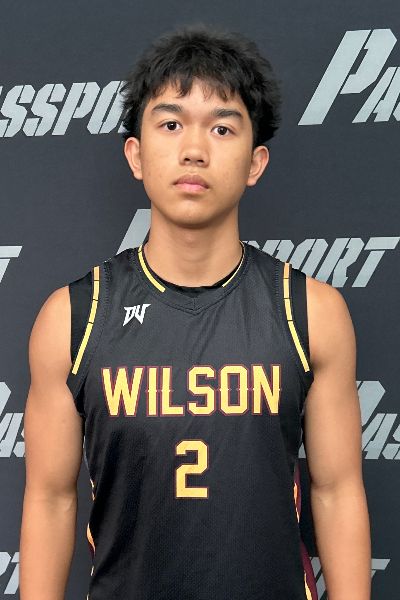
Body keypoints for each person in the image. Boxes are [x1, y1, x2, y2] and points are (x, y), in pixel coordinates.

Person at [19, 23, 371, 600]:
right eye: (171, 123)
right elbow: (50, 499)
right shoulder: (73, 317)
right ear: (136, 154)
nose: (194, 149)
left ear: (256, 162)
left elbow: (336, 491)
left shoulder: (311, 311)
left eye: (223, 127)